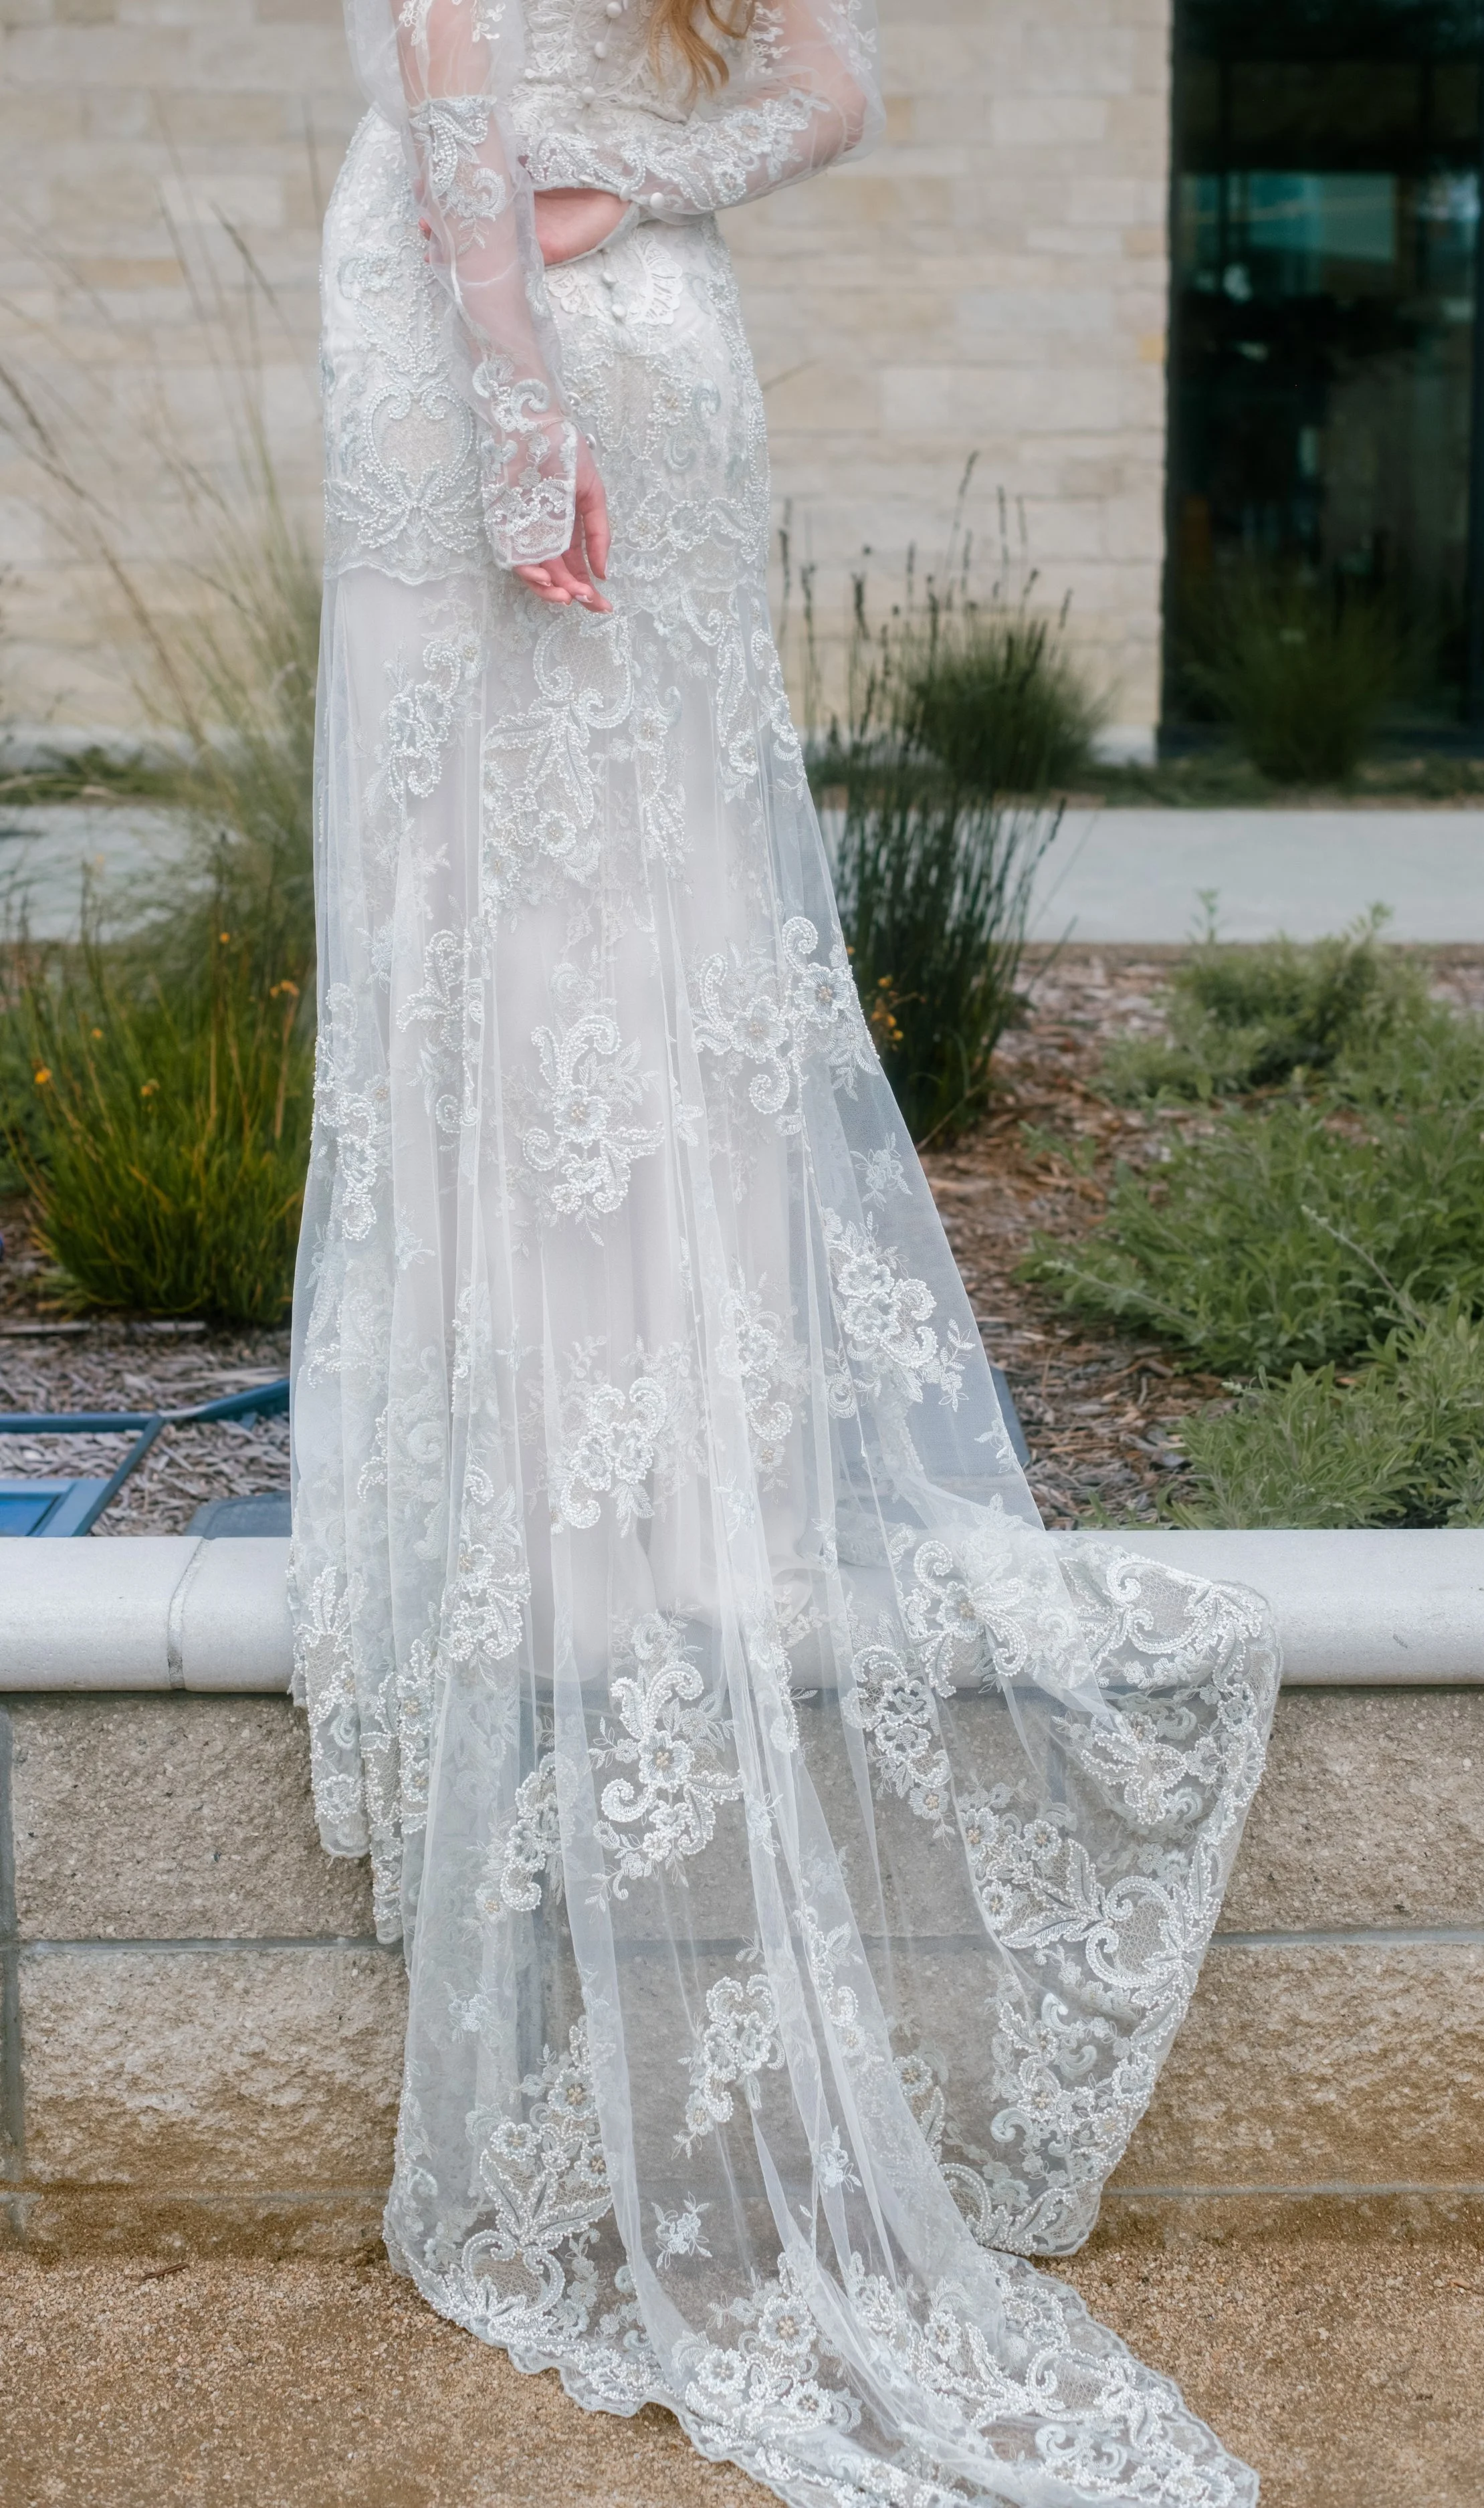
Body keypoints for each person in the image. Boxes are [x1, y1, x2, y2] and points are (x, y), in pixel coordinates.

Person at [289, 0, 1280, 2497]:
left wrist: (520, 400)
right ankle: (653, 1466)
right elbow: (833, 86)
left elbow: (445, 91)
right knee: (650, 916)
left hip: (483, 351)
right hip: (639, 331)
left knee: (504, 924)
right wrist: (651, 190)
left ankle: (543, 1479)